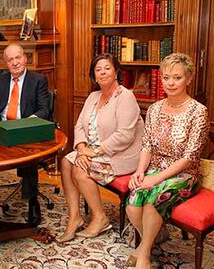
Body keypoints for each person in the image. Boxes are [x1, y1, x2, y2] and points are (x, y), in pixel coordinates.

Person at [126, 53, 209, 268]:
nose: (170, 83)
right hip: (154, 168)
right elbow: (147, 145)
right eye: (166, 77)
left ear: (188, 79)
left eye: (177, 78)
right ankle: (156, 234)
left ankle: (144, 253)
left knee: (154, 198)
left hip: (185, 174)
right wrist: (140, 172)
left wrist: (155, 180)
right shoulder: (154, 109)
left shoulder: (198, 112)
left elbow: (189, 158)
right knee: (133, 201)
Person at [56, 53, 144, 242]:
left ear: (116, 72)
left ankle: (100, 218)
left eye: (107, 68)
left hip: (122, 155)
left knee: (80, 170)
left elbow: (124, 136)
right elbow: (79, 126)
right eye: (98, 69)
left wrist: (93, 152)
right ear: (93, 76)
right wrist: (81, 148)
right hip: (93, 151)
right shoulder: (93, 96)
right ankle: (75, 218)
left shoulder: (125, 96)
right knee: (65, 162)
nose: (102, 72)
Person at [0, 43, 50, 226]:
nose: (15, 63)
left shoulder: (38, 80)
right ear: (6, 63)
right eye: (10, 60)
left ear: (25, 58)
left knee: (29, 157)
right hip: (2, 130)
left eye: (17, 58)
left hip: (24, 130)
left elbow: (45, 109)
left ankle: (32, 202)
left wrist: (30, 121)